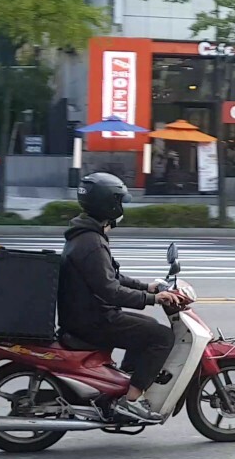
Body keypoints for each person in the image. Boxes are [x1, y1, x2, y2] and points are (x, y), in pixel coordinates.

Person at [57, 172, 185, 423]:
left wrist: (147, 287)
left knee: (147, 327)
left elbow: (112, 276)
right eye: (119, 201)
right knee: (161, 337)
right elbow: (110, 290)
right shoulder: (91, 242)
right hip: (93, 319)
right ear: (108, 204)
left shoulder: (86, 235)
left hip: (86, 314)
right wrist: (153, 300)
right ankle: (130, 400)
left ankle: (121, 385)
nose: (121, 207)